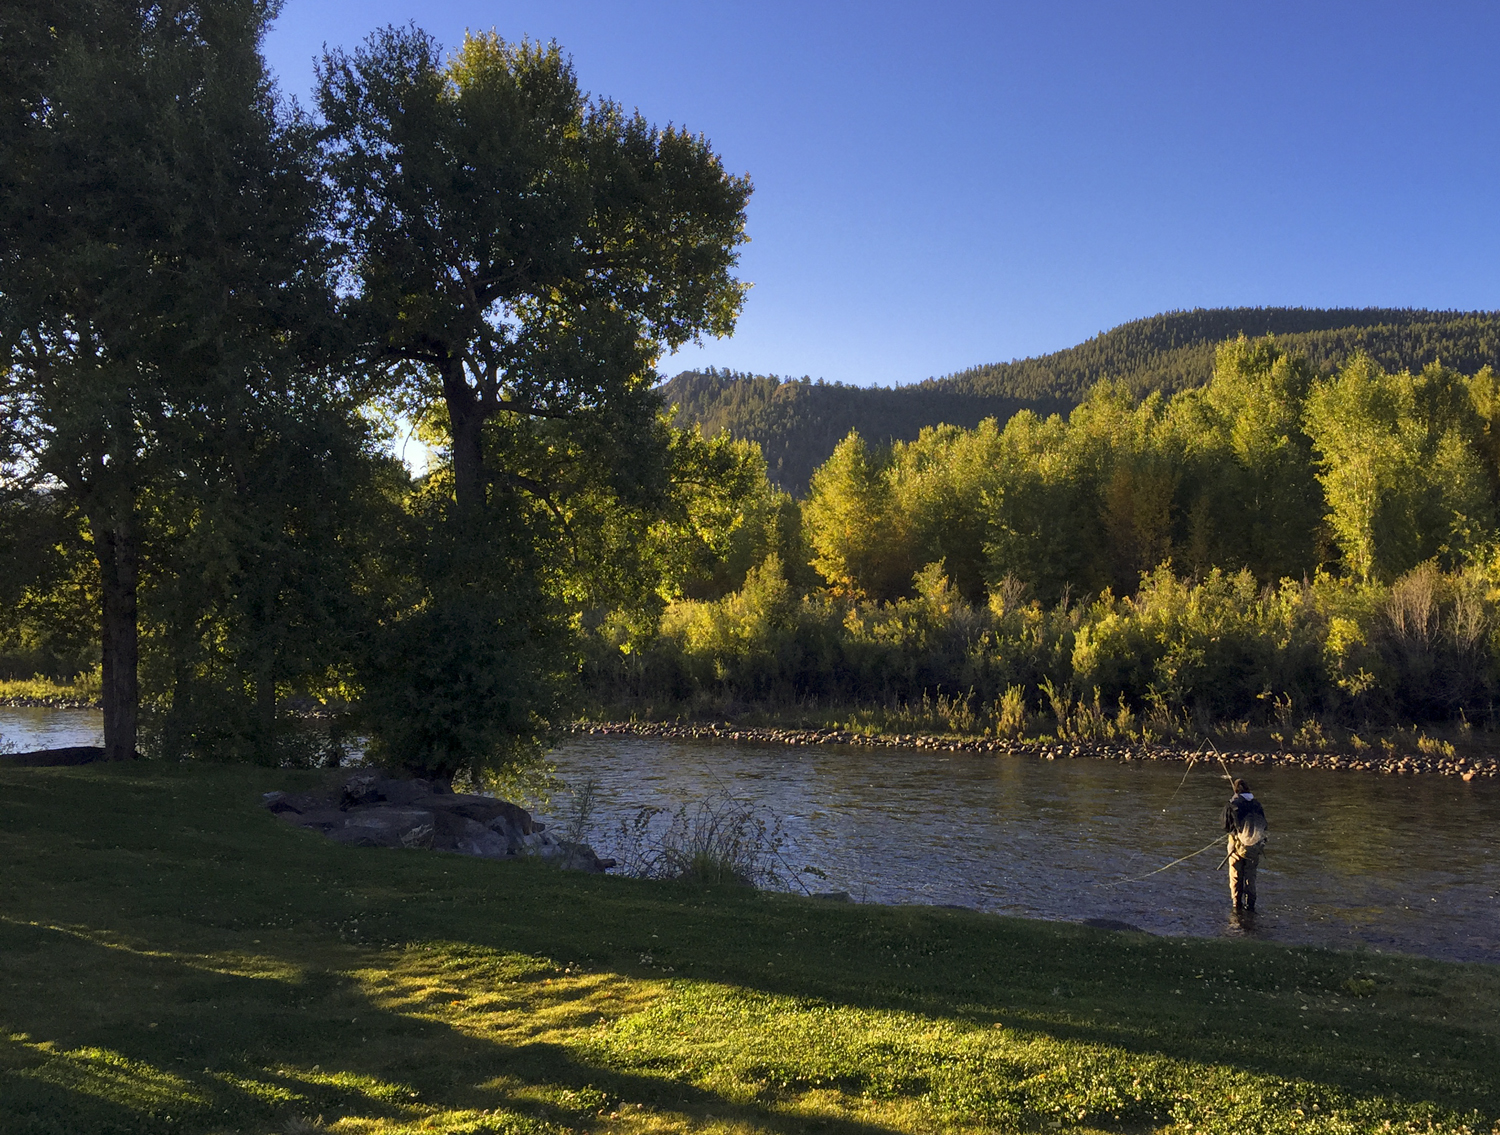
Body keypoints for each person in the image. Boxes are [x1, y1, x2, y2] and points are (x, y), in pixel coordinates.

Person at [1222, 778, 1267, 913]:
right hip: (1255, 847)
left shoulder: (1233, 804)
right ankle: (1250, 907)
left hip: (1236, 847)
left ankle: (1237, 907)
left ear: (1236, 790)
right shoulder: (1257, 804)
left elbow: (1224, 825)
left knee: (1236, 877)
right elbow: (1265, 825)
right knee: (1250, 877)